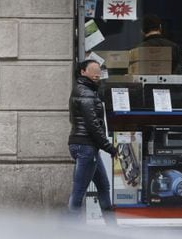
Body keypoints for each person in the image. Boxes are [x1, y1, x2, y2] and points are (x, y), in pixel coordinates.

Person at [67, 59, 117, 225]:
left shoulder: (83, 90)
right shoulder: (86, 93)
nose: (97, 73)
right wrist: (109, 147)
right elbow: (93, 125)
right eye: (93, 70)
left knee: (103, 186)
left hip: (85, 146)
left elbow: (74, 120)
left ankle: (112, 228)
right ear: (83, 72)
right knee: (78, 192)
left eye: (99, 70)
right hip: (86, 146)